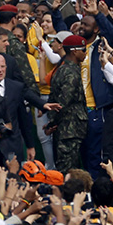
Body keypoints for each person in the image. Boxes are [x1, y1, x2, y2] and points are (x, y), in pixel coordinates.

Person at [46, 35, 87, 174]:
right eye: (83, 49)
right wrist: (52, 124)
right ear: (74, 51)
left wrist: (52, 122)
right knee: (69, 172)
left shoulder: (61, 69)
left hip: (65, 128)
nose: (85, 53)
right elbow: (62, 103)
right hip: (69, 129)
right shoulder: (71, 72)